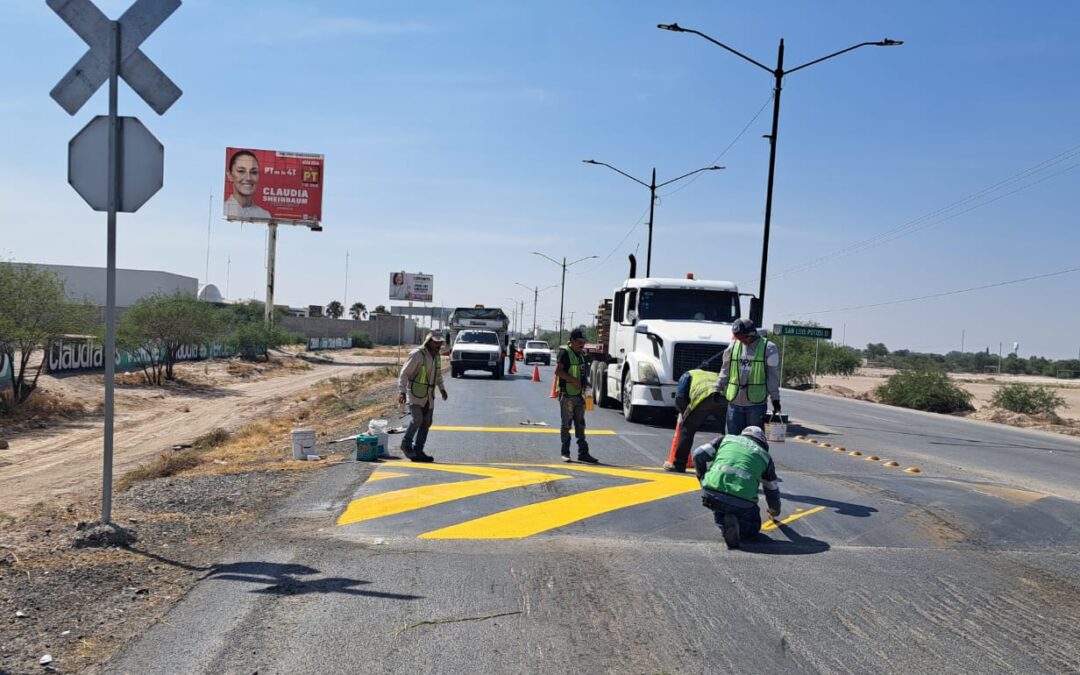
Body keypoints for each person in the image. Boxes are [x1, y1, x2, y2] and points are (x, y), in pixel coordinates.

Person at [693, 426, 782, 549]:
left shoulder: (725, 439)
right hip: (742, 501)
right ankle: (738, 528)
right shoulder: (765, 456)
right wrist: (774, 510)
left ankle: (724, 522)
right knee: (753, 526)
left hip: (711, 492)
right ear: (762, 441)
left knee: (719, 506)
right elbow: (771, 489)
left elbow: (698, 454)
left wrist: (702, 479)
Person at [712, 318, 781, 434]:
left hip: (756, 405)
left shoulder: (769, 348)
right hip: (734, 402)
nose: (741, 340)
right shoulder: (733, 346)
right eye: (738, 338)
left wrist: (775, 399)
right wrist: (717, 388)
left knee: (753, 441)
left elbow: (772, 377)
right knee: (732, 440)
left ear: (752, 334)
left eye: (743, 337)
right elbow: (725, 370)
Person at [663, 368, 726, 472]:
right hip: (723, 399)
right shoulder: (714, 374)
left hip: (703, 398)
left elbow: (680, 398)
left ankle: (679, 464)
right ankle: (725, 464)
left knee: (687, 430)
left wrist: (684, 413)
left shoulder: (687, 375)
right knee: (728, 434)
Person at [398, 331, 449, 462]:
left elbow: (438, 375)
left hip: (429, 395)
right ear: (429, 341)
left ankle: (418, 450)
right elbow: (404, 374)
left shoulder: (437, 356)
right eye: (436, 342)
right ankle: (406, 445)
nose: (439, 344)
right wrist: (402, 391)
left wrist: (442, 389)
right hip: (415, 394)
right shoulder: (417, 354)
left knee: (427, 422)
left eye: (440, 342)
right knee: (417, 420)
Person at [554, 328, 598, 463]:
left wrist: (587, 388)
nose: (582, 344)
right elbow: (558, 372)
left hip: (579, 395)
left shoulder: (581, 355)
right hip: (566, 395)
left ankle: (583, 453)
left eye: (583, 342)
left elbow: (583, 374)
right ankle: (565, 453)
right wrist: (573, 380)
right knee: (566, 425)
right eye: (579, 342)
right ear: (572, 341)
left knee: (580, 425)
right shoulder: (564, 353)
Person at [224, 150, 271, 220]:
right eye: (241, 171)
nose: (248, 178)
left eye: (254, 172)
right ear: (230, 175)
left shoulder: (264, 215)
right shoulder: (225, 208)